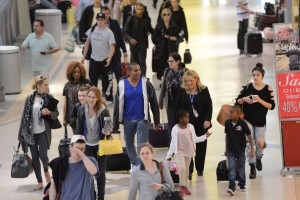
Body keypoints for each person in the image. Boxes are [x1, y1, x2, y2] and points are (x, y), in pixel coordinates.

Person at [113, 63, 160, 168]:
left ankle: (141, 165)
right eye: (135, 70)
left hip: (142, 119)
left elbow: (154, 102)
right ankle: (135, 162)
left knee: (142, 145)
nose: (138, 72)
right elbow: (117, 105)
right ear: (129, 72)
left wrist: (157, 121)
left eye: (139, 69)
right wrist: (115, 124)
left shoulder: (146, 83)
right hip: (127, 119)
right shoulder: (122, 84)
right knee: (129, 143)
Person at [18, 75, 59, 190]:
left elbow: (56, 114)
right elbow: (24, 117)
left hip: (43, 131)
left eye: (47, 84)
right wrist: (20, 134)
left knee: (43, 155)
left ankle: (46, 169)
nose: (47, 86)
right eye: (45, 85)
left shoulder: (49, 97)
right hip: (31, 132)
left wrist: (49, 113)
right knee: (35, 157)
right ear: (38, 86)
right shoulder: (29, 98)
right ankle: (39, 181)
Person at [236, 63, 275, 179]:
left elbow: (271, 106)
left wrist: (259, 99)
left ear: (262, 76)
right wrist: (244, 99)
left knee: (260, 143)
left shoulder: (268, 89)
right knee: (250, 143)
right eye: (253, 75)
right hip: (247, 119)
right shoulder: (247, 87)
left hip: (260, 120)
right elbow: (237, 101)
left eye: (257, 75)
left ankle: (258, 157)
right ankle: (252, 166)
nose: (255, 77)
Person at [75, 86, 112, 200]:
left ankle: (101, 196)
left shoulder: (103, 111)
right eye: (89, 96)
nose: (90, 99)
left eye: (93, 97)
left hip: (100, 145)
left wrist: (107, 131)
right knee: (89, 172)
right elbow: (79, 128)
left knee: (100, 172)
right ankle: (91, 195)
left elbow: (109, 128)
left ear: (97, 98)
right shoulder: (81, 109)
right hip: (87, 145)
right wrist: (77, 144)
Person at [176, 70, 213, 179]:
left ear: (196, 79)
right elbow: (178, 107)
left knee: (201, 147)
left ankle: (200, 169)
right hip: (187, 125)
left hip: (201, 123)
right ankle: (189, 170)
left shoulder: (204, 90)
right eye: (186, 81)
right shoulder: (182, 91)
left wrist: (208, 120)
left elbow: (209, 106)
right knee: (188, 147)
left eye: (191, 81)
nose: (188, 83)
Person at [166, 109, 211, 196]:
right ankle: (182, 187)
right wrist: (169, 155)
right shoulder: (175, 129)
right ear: (180, 119)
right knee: (182, 168)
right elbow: (173, 143)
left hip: (189, 151)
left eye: (188, 117)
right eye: (186, 117)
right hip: (179, 152)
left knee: (186, 170)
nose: (188, 119)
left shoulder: (191, 127)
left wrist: (205, 136)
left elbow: (195, 139)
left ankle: (185, 187)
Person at [49, 135, 98, 200]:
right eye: (77, 148)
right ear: (70, 147)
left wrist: (82, 155)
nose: (79, 152)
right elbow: (54, 185)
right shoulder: (61, 163)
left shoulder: (90, 160)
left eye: (82, 149)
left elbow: (93, 172)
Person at [81, 13, 116, 102]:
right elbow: (87, 43)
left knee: (107, 81)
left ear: (105, 20)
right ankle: (93, 97)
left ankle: (108, 98)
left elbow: (112, 46)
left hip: (105, 59)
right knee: (92, 80)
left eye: (101, 19)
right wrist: (84, 56)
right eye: (98, 19)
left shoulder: (109, 32)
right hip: (94, 59)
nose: (100, 21)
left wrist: (109, 58)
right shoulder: (92, 30)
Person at [224, 105, 255, 195]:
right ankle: (232, 187)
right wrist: (226, 148)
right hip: (230, 150)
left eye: (232, 112)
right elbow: (226, 136)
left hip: (241, 150)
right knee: (231, 168)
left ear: (238, 114)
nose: (230, 114)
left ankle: (242, 184)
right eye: (229, 112)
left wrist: (252, 150)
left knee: (241, 168)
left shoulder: (243, 124)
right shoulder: (227, 123)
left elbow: (249, 136)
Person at [159, 53, 186, 138]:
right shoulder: (167, 71)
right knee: (171, 124)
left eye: (172, 61)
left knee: (182, 123)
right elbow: (164, 87)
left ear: (178, 61)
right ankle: (173, 144)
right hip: (170, 102)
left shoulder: (185, 72)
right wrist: (160, 101)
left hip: (182, 102)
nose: (169, 63)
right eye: (168, 61)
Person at [124, 3, 153, 76]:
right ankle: (135, 77)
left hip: (143, 43)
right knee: (134, 62)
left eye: (141, 9)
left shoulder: (146, 19)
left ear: (144, 10)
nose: (140, 11)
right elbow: (125, 31)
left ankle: (143, 79)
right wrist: (130, 39)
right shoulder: (131, 18)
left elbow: (151, 29)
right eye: (138, 9)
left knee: (142, 62)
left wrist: (157, 35)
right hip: (133, 44)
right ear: (135, 10)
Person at [63, 61, 92, 134]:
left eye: (78, 72)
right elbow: (65, 103)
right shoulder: (67, 85)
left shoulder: (87, 83)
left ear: (82, 72)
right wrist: (64, 118)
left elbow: (94, 97)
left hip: (87, 114)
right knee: (77, 137)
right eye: (74, 72)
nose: (76, 74)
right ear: (70, 73)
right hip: (73, 117)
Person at [101, 6, 129, 82]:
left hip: (116, 53)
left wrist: (125, 52)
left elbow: (120, 38)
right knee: (107, 75)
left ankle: (121, 91)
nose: (106, 15)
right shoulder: (98, 25)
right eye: (104, 14)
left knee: (118, 73)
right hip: (104, 55)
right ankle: (108, 93)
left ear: (110, 14)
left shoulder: (114, 23)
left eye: (107, 13)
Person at [152, 8, 179, 80]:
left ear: (171, 15)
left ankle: (169, 80)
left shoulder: (174, 25)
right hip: (161, 49)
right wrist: (155, 45)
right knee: (162, 65)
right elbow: (154, 37)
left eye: (168, 14)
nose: (166, 16)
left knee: (171, 65)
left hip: (171, 48)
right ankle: (163, 81)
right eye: (164, 14)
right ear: (162, 16)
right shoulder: (159, 26)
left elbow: (177, 37)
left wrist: (168, 37)